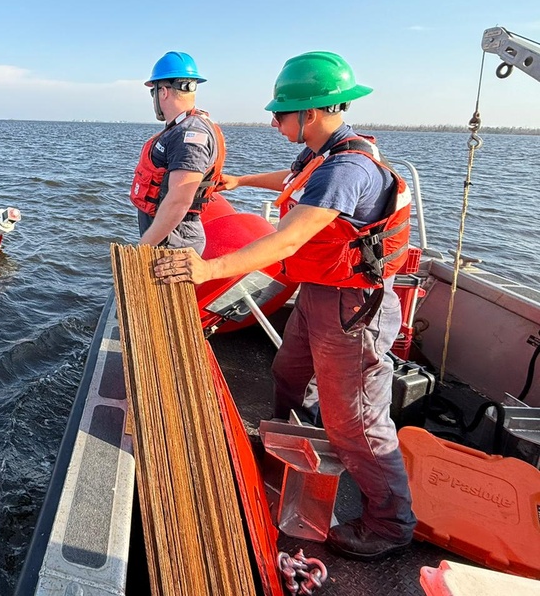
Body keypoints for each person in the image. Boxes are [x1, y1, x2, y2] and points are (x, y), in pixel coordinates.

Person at [153, 51, 416, 561]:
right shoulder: (321, 154)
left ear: (310, 113)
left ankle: (389, 524)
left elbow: (287, 241)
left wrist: (207, 269)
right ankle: (285, 445)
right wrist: (239, 182)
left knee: (358, 419)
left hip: (354, 307)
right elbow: (292, 180)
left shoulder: (347, 168)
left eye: (281, 114)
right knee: (287, 370)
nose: (274, 122)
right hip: (320, 291)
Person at [131, 51, 226, 256]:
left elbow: (179, 201)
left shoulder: (190, 135)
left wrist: (141, 250)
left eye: (153, 92)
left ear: (163, 92)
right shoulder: (182, 128)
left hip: (174, 243)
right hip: (168, 238)